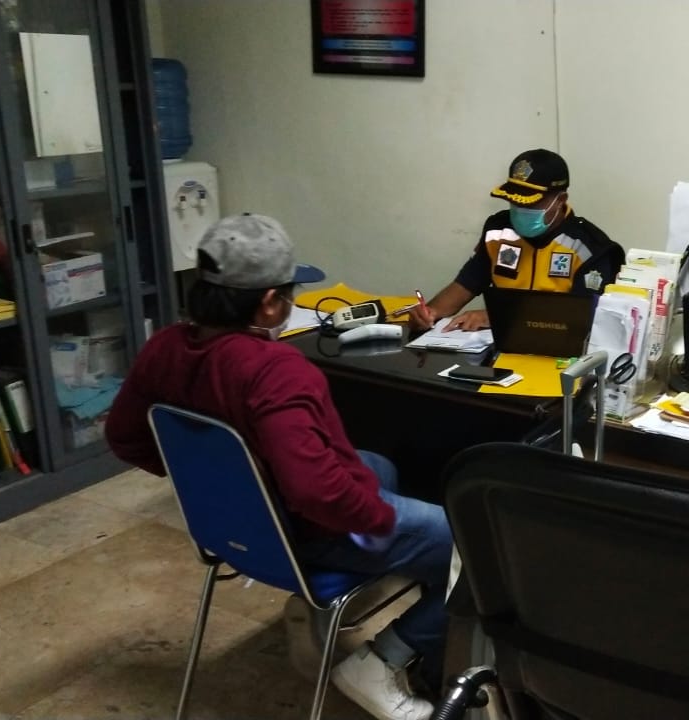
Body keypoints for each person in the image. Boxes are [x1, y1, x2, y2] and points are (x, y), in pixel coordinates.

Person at [105, 214, 447, 720]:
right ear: (268, 302)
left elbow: (124, 437)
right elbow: (316, 491)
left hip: (229, 528)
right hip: (301, 531)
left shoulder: (165, 348)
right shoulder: (276, 371)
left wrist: (223, 484)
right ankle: (383, 661)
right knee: (475, 546)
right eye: (289, 294)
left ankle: (325, 606)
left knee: (377, 465)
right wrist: (376, 519)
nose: (290, 304)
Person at [411, 148, 625, 331]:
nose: (520, 209)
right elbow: (466, 284)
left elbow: (581, 317)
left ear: (560, 200)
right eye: (515, 201)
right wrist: (430, 313)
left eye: (530, 203)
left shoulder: (590, 248)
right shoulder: (498, 231)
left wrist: (496, 317)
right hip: (498, 348)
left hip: (558, 353)